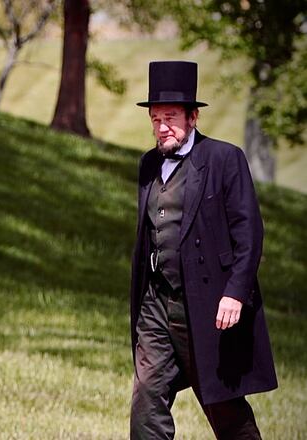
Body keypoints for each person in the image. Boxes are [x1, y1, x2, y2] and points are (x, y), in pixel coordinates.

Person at [129, 61, 277, 439]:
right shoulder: (148, 164)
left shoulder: (224, 159)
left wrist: (236, 292)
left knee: (222, 405)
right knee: (147, 392)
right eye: (156, 118)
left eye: (171, 117)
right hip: (157, 302)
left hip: (208, 304)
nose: (162, 127)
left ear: (193, 117)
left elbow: (249, 231)